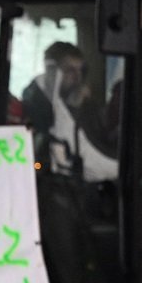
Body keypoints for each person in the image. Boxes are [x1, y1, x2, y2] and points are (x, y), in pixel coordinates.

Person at [21, 41, 117, 182]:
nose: (77, 77)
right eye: (70, 70)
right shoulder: (37, 100)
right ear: (53, 71)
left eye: (80, 70)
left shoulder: (87, 106)